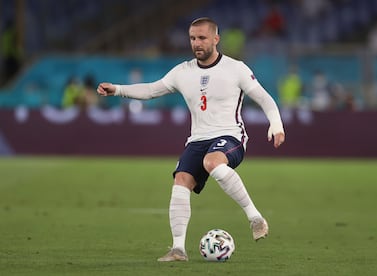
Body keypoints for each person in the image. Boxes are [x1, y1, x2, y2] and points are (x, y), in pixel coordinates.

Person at [96, 17, 285, 262]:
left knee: (212, 162)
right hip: (197, 139)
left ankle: (255, 217)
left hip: (230, 135)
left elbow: (264, 97)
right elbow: (152, 90)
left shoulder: (235, 68)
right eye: (193, 38)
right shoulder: (182, 72)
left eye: (202, 38)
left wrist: (276, 124)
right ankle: (178, 249)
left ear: (216, 39)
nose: (197, 43)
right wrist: (118, 89)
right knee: (181, 180)